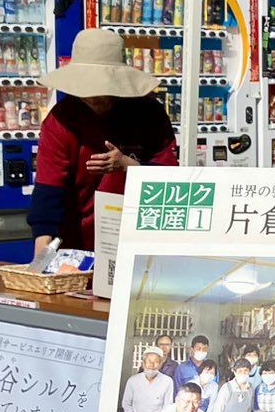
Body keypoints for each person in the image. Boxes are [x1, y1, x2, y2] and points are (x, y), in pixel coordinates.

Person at [28, 29, 180, 257]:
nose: (92, 96)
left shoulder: (150, 114)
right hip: (76, 244)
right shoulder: (61, 120)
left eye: (101, 88)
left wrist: (129, 166)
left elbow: (172, 181)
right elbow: (48, 193)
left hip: (137, 237)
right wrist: (41, 254)